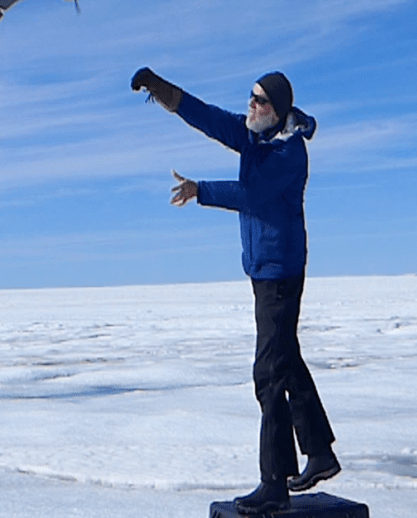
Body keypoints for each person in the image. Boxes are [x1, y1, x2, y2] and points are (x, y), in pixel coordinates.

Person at [130, 67, 339, 515]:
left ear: (278, 110)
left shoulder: (288, 154)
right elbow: (208, 117)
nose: (251, 105)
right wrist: (160, 88)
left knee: (268, 373)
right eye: (250, 96)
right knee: (285, 359)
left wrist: (199, 189)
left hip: (281, 273)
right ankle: (319, 452)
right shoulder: (256, 136)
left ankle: (274, 483)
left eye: (260, 100)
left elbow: (252, 195)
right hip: (264, 270)